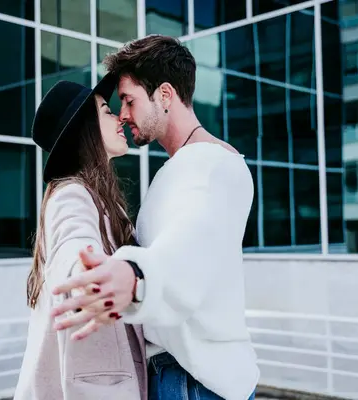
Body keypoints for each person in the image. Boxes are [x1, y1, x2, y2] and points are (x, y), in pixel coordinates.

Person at [49, 35, 260, 400]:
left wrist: (135, 276)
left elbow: (190, 243)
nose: (123, 114)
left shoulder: (212, 165)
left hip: (195, 381)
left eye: (129, 100)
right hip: (177, 376)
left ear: (164, 95)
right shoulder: (181, 168)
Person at [13, 74, 147, 400]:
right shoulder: (70, 193)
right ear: (83, 129)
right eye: (106, 111)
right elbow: (72, 242)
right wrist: (84, 272)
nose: (119, 117)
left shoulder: (104, 199)